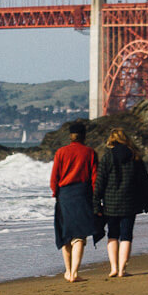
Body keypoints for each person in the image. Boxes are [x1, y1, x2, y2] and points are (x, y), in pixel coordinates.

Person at [93, 127, 148, 278]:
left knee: (112, 235)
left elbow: (100, 182)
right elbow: (144, 181)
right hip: (130, 201)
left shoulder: (107, 156)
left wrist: (96, 203)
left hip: (110, 203)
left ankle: (114, 268)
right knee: (126, 235)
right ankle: (123, 270)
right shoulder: (134, 156)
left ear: (112, 140)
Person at [50, 121, 98, 282]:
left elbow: (54, 177)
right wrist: (95, 197)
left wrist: (56, 194)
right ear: (84, 135)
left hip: (64, 195)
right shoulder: (89, 152)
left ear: (70, 135)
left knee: (66, 235)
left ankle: (68, 271)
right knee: (79, 236)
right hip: (83, 194)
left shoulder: (61, 152)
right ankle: (75, 273)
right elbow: (94, 178)